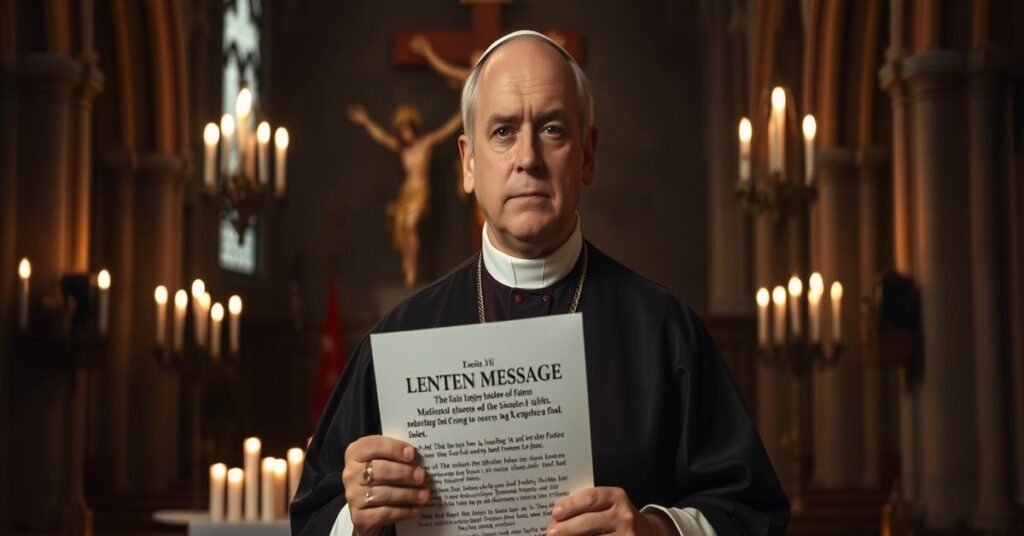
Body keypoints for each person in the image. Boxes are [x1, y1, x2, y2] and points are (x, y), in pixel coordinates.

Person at [295, 31, 789, 536]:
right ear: (468, 162)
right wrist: (355, 517)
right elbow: (313, 519)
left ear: (588, 155)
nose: (527, 157)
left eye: (552, 129)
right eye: (504, 131)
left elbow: (752, 512)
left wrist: (656, 531)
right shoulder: (398, 338)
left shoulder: (665, 330)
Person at [346, 103, 462, 288]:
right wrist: (365, 121)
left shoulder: (425, 144)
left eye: (408, 129)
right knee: (403, 227)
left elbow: (447, 130)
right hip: (406, 194)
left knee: (410, 224)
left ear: (414, 129)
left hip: (421, 193)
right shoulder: (402, 149)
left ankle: (411, 270)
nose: (406, 134)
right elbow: (382, 137)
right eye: (402, 131)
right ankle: (409, 267)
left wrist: (462, 112)